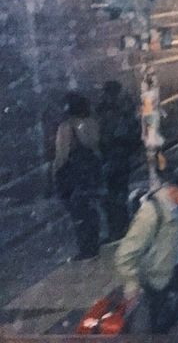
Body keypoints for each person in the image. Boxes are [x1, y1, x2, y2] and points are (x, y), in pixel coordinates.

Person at [116, 168, 178, 333]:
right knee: (158, 317)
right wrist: (131, 284)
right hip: (160, 273)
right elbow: (125, 254)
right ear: (174, 190)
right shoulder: (151, 215)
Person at [53, 92, 102, 260]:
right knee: (90, 209)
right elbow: (95, 145)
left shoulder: (66, 127)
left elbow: (62, 155)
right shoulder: (91, 122)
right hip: (91, 172)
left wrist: (56, 173)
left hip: (74, 174)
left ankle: (86, 248)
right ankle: (94, 244)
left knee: (78, 213)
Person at [99, 80, 143, 241]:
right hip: (121, 155)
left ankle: (117, 229)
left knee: (112, 195)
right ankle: (121, 226)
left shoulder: (110, 110)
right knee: (119, 193)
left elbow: (107, 133)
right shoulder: (125, 107)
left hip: (113, 155)